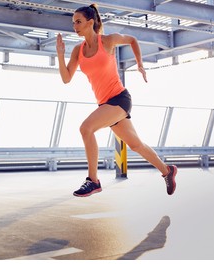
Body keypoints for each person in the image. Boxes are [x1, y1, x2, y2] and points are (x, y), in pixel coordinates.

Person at [56, 4, 177, 197]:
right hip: (106, 105)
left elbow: (132, 40)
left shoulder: (108, 41)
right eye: (73, 23)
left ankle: (93, 181)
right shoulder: (78, 50)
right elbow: (66, 78)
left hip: (120, 99)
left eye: (78, 22)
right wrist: (60, 56)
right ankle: (167, 171)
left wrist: (139, 64)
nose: (74, 26)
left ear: (90, 22)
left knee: (86, 128)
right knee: (136, 145)